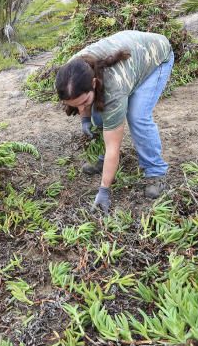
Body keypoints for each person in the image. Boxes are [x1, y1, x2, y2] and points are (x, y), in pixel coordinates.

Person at [55, 30, 174, 213]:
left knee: (137, 116)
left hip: (155, 57)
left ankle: (156, 172)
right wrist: (85, 119)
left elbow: (114, 146)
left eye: (84, 102)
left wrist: (104, 190)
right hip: (130, 55)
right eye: (74, 105)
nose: (80, 108)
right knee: (98, 112)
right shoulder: (71, 73)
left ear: (94, 83)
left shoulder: (113, 89)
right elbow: (82, 100)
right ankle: (102, 161)